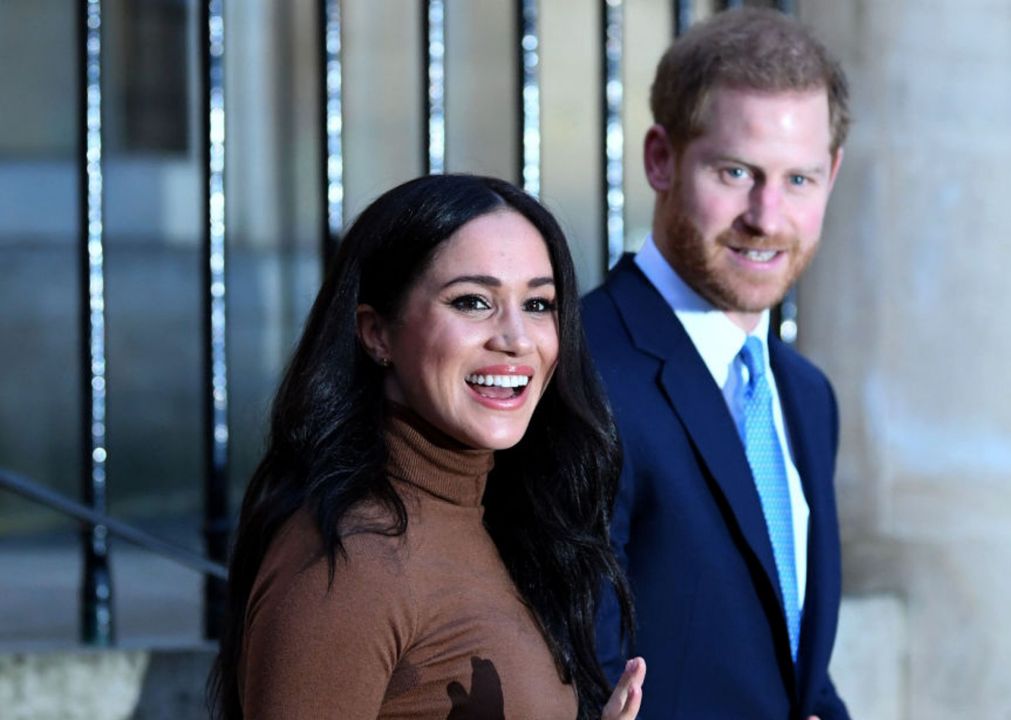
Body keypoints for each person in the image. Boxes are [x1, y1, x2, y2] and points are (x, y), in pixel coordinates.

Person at [209, 174, 645, 719]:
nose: (515, 338)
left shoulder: (497, 521)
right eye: (472, 301)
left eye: (538, 304)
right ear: (376, 333)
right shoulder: (351, 561)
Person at [583, 8, 851, 719]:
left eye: (800, 179)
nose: (767, 216)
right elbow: (580, 678)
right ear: (660, 159)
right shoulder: (579, 370)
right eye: (736, 172)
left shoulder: (806, 396)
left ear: (834, 174)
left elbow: (795, 673)